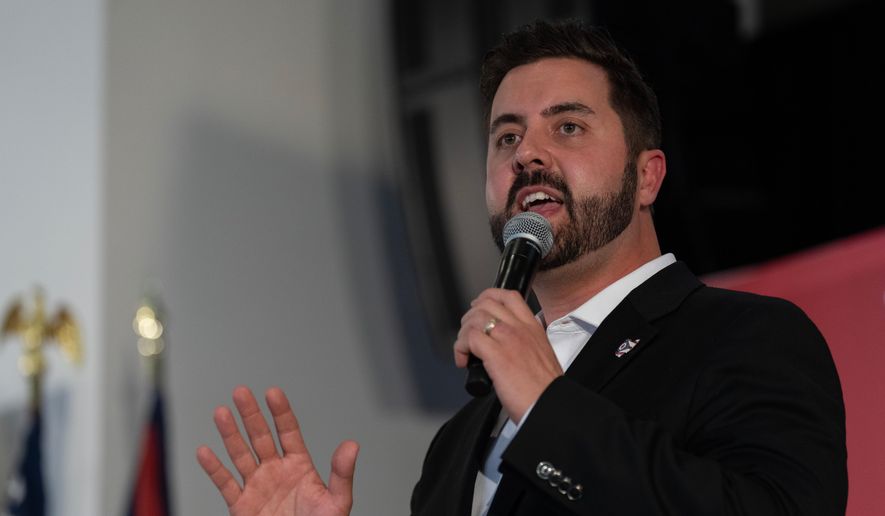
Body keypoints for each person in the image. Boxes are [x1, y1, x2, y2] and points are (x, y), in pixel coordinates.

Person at [196, 19, 847, 515]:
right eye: (506, 137)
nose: (527, 154)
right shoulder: (459, 440)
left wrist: (546, 407)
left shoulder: (746, 337)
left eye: (567, 128)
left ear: (646, 178)